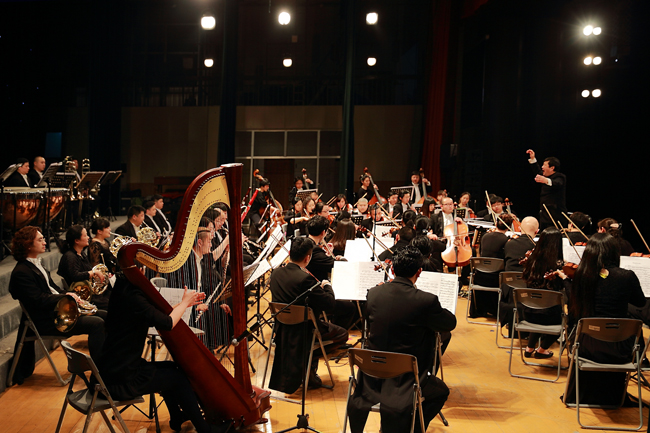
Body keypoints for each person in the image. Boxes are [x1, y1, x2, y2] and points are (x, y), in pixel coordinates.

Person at [95, 274, 231, 433]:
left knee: (171, 367)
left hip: (113, 370)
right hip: (120, 381)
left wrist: (184, 304)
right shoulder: (134, 296)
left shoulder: (123, 288)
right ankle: (205, 429)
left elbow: (157, 316)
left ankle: (177, 417)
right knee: (177, 378)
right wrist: (184, 303)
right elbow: (167, 323)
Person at [347, 247, 456, 433]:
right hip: (406, 379)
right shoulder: (426, 300)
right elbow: (449, 324)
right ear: (419, 272)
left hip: (371, 377)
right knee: (440, 392)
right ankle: (412, 428)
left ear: (392, 269)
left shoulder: (373, 293)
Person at [9, 226, 106, 385]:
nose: (45, 242)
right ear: (28, 244)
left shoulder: (36, 264)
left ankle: (110, 362)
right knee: (97, 324)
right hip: (47, 320)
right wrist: (66, 297)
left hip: (56, 312)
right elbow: (39, 300)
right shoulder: (21, 272)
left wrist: (72, 295)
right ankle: (100, 373)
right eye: (40, 239)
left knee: (103, 314)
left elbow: (53, 289)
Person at [564, 233, 646, 405]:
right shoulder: (627, 276)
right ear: (614, 252)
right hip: (620, 347)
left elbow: (573, 310)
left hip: (587, 345)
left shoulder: (581, 275)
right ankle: (616, 396)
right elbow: (640, 302)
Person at [268, 237, 348, 392]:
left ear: (289, 253)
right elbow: (329, 304)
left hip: (281, 329)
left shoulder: (275, 273)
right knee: (342, 334)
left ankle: (308, 368)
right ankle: (308, 364)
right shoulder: (305, 279)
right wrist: (327, 286)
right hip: (304, 330)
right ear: (307, 258)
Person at [521, 227, 569, 358]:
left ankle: (529, 348)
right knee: (567, 321)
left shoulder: (531, 261)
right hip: (549, 315)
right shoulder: (558, 265)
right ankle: (542, 349)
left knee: (540, 307)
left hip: (528, 312)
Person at [58, 225, 110, 308]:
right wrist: (93, 272)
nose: (88, 237)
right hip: (82, 296)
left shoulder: (81, 253)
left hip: (90, 292)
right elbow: (75, 276)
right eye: (85, 235)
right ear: (77, 241)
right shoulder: (70, 256)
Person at [526, 149, 567, 230]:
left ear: (552, 168)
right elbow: (537, 171)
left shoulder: (560, 176)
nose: (542, 167)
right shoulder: (545, 176)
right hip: (544, 214)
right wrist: (533, 158)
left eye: (544, 165)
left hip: (555, 215)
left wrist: (545, 180)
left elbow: (557, 183)